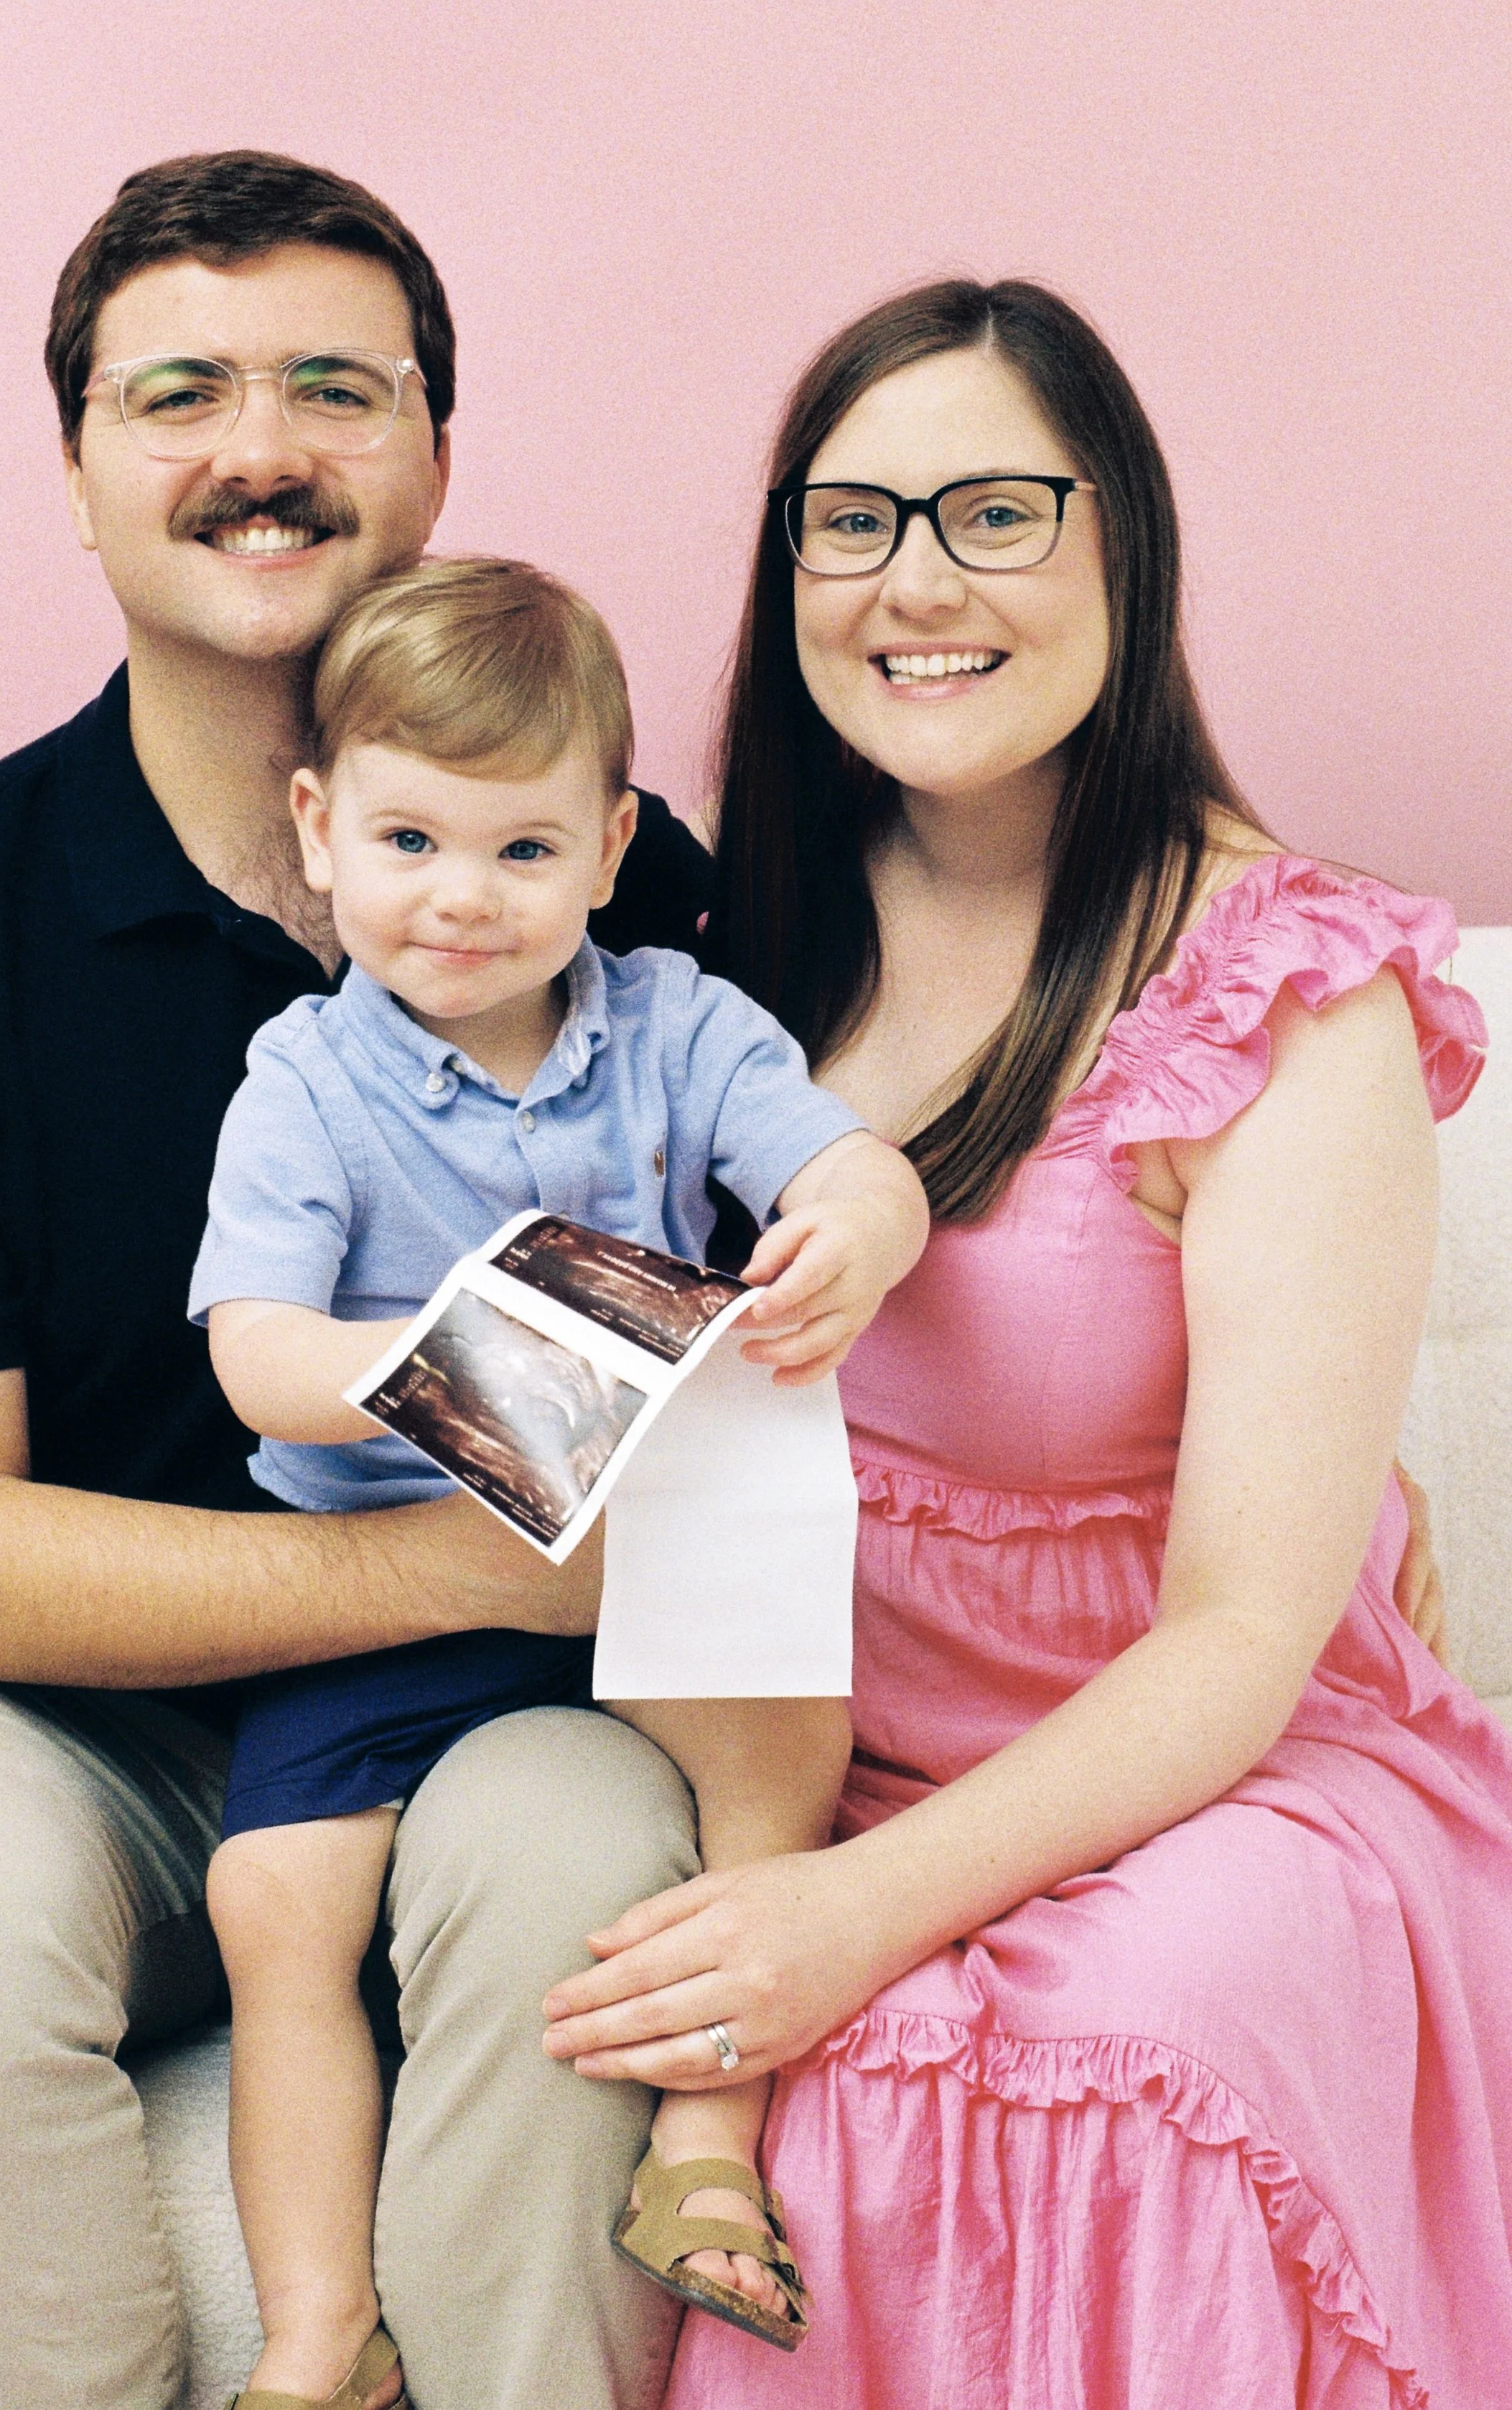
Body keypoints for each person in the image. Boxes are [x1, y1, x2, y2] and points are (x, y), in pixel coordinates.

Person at [0, 152, 715, 2410]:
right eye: (175, 391)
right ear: (77, 465)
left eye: (333, 390)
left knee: (587, 1848)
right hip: (41, 1733)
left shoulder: (631, 892)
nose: (259, 450)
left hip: (475, 1738)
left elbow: (649, 1350)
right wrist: (491, 1579)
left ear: (436, 458)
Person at [538, 277, 1512, 2406]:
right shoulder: (704, 961)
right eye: (852, 520)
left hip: (1212, 1774)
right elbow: (540, 1376)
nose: (915, 584)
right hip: (810, 1747)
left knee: (1114, 2046)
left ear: (1120, 550)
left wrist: (854, 1918)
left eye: (993, 512)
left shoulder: (1286, 990)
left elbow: (1241, 1639)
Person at [191, 555, 930, 2407]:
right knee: (277, 1913)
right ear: (321, 830)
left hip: (631, 1568)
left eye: (523, 853)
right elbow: (251, 1345)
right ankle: (315, 2340)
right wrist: (427, 1379)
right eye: (411, 841)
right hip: (386, 1574)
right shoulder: (308, 1076)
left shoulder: (676, 1027)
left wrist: (850, 1230)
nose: (461, 899)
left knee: (787, 1746)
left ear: (609, 851)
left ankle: (703, 2148)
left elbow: (851, 1161)